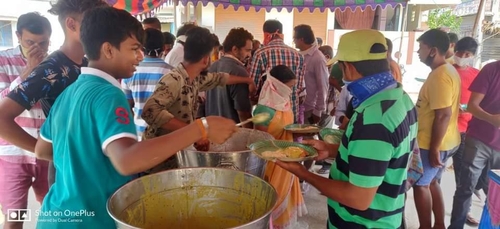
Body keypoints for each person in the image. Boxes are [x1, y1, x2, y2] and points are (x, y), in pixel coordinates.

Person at [34, 7, 238, 229]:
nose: (141, 56)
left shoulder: (69, 92)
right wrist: (201, 128)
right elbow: (127, 160)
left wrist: (87, 159)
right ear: (108, 50)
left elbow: (43, 150)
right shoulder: (109, 94)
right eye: (134, 49)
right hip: (92, 221)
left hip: (55, 216)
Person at [275, 29, 417, 228]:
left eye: (340, 69)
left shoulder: (374, 118)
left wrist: (303, 173)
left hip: (362, 223)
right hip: (386, 215)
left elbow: (358, 198)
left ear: (347, 67)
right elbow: (384, 156)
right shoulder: (400, 97)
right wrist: (333, 150)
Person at [0, 0, 107, 187]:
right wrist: (46, 150)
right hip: (67, 174)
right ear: (71, 24)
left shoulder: (86, 64)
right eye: (94, 21)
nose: (102, 28)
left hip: (88, 167)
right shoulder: (51, 69)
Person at [141, 27, 255, 173]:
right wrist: (195, 132)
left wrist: (248, 80)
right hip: (156, 158)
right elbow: (150, 111)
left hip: (174, 154)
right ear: (206, 59)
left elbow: (220, 78)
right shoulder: (174, 80)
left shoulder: (195, 79)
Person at [0, 12, 51, 229]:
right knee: (14, 218)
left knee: (53, 212)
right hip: (13, 154)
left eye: (43, 43)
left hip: (46, 151)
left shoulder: (54, 63)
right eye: (30, 42)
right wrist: (28, 72)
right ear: (18, 36)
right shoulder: (3, 61)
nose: (36, 49)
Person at [413, 29, 461, 229]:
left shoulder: (441, 75)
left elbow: (443, 114)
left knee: (420, 184)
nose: (417, 51)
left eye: (421, 47)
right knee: (432, 183)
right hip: (447, 140)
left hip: (433, 142)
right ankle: (439, 225)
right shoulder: (446, 70)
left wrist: (433, 149)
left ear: (432, 50)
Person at [253, 65, 307, 228]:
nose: (291, 91)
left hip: (287, 158)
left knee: (286, 196)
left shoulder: (284, 102)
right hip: (271, 162)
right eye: (289, 87)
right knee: (273, 198)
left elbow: (288, 126)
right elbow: (260, 140)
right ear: (278, 85)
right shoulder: (264, 109)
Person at [448, 64, 500, 228]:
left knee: (495, 193)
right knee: (466, 188)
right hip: (479, 140)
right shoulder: (491, 70)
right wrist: (491, 118)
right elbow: (472, 106)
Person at [450, 36, 489, 226]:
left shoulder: (477, 73)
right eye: (459, 52)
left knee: (463, 178)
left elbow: (481, 102)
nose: (462, 56)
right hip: (446, 128)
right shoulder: (446, 70)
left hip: (467, 129)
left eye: (467, 54)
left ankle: (463, 214)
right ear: (454, 50)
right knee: (434, 175)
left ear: (473, 55)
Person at [248, 20, 305, 124]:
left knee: (268, 140)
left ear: (266, 34)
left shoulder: (261, 53)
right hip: (291, 112)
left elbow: (252, 87)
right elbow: (299, 86)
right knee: (287, 140)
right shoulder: (298, 55)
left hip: (268, 115)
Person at [122, 28, 173, 140]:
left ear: (141, 48)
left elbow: (127, 105)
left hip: (139, 133)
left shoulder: (131, 71)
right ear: (164, 48)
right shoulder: (172, 73)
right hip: (164, 135)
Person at [204, 28, 254, 127]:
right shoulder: (239, 72)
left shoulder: (213, 66)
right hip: (232, 133)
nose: (249, 55)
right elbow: (242, 112)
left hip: (212, 131)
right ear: (235, 49)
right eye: (247, 50)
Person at [293, 24, 329, 127]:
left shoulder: (318, 58)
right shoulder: (298, 55)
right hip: (297, 106)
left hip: (309, 109)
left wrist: (318, 110)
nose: (293, 41)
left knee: (306, 139)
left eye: (294, 38)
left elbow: (323, 86)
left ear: (302, 39)